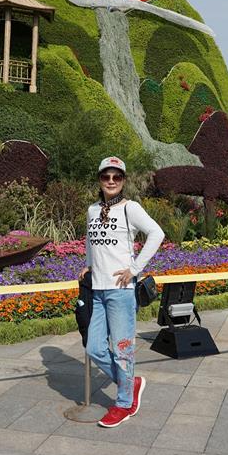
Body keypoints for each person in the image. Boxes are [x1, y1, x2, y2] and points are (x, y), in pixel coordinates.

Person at [78, 156, 165, 428]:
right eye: (106, 176)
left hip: (120, 291)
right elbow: (92, 241)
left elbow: (156, 233)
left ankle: (125, 403)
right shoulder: (93, 210)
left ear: (123, 181)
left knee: (122, 351)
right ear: (100, 180)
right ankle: (131, 383)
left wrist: (135, 268)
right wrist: (89, 265)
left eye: (117, 177)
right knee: (94, 347)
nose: (111, 181)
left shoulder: (131, 208)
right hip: (98, 290)